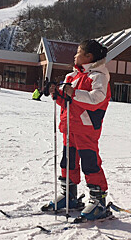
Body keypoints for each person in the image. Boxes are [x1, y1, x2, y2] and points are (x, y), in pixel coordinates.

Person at [45, 39, 111, 221]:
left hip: (86, 128)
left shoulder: (98, 76)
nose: (75, 56)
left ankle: (98, 200)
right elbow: (67, 103)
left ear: (88, 57)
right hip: (69, 127)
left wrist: (72, 93)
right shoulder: (71, 77)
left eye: (78, 53)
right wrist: (56, 93)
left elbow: (97, 99)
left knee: (90, 163)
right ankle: (69, 195)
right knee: (68, 161)